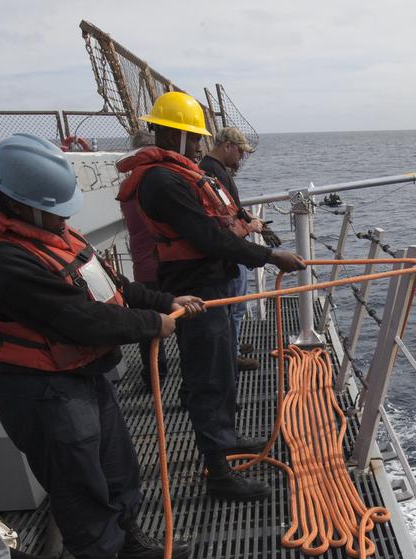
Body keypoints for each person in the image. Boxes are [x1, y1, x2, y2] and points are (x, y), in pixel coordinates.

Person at [0, 133, 204, 559]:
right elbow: (83, 319)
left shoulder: (52, 236)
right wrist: (153, 325)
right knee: (78, 483)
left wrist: (164, 301)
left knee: (118, 466)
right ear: (20, 204)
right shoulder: (3, 260)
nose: (65, 217)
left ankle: (130, 541)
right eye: (56, 209)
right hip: (43, 390)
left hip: (84, 375)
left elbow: (110, 287)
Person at [116, 92, 305, 502]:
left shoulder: (176, 174)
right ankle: (218, 473)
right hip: (195, 288)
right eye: (195, 138)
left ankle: (228, 437)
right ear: (174, 135)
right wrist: (270, 255)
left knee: (220, 371)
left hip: (207, 281)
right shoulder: (162, 181)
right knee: (207, 379)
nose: (201, 147)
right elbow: (207, 237)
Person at [199, 126, 282, 373]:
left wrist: (250, 221)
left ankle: (231, 347)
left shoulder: (214, 171)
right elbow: (225, 221)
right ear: (228, 146)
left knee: (234, 308)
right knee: (234, 307)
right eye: (240, 152)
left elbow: (232, 209)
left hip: (230, 249)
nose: (241, 158)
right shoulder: (213, 173)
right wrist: (251, 227)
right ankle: (231, 356)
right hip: (229, 251)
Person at [121, 128, 168, 384]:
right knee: (178, 320)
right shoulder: (152, 185)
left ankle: (153, 375)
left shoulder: (127, 188)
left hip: (142, 265)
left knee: (148, 326)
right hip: (162, 264)